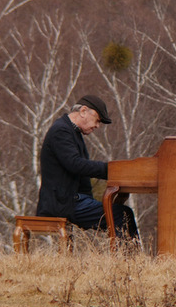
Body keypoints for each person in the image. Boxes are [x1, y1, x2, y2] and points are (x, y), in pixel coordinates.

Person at [36, 94, 137, 239]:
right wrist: (112, 170)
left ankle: (127, 253)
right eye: (97, 120)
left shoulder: (71, 131)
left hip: (71, 200)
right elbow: (76, 164)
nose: (97, 126)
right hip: (62, 203)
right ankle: (128, 254)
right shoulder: (61, 131)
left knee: (121, 213)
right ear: (83, 111)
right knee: (122, 214)